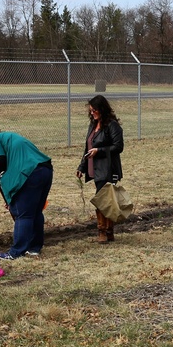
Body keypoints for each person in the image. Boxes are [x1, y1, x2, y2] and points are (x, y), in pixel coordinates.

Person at [0, 128, 54, 256]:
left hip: (30, 173)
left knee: (23, 214)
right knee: (35, 212)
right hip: (45, 170)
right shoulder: (10, 137)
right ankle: (34, 248)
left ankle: (16, 252)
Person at [76, 95, 124, 242]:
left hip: (108, 169)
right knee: (105, 200)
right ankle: (109, 232)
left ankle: (103, 231)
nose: (92, 113)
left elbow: (118, 147)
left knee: (102, 200)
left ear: (102, 109)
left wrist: (99, 151)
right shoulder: (93, 125)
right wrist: (82, 166)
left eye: (94, 110)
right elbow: (88, 147)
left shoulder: (112, 125)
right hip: (94, 169)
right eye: (90, 111)